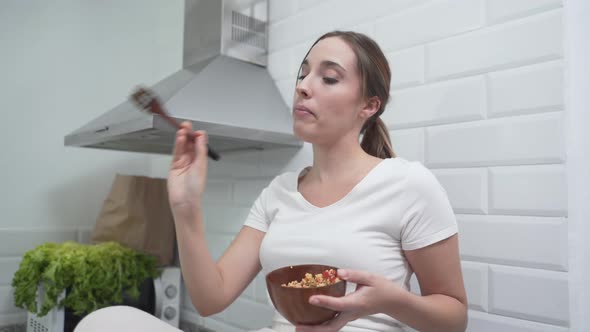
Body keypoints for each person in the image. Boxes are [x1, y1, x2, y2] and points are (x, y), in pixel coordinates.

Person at [75, 31, 467, 332]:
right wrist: (185, 206)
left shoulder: (408, 184)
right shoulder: (278, 193)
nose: (303, 85)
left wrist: (390, 302)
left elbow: (454, 317)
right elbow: (212, 298)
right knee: (107, 321)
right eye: (303, 72)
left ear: (369, 105)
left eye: (328, 78)